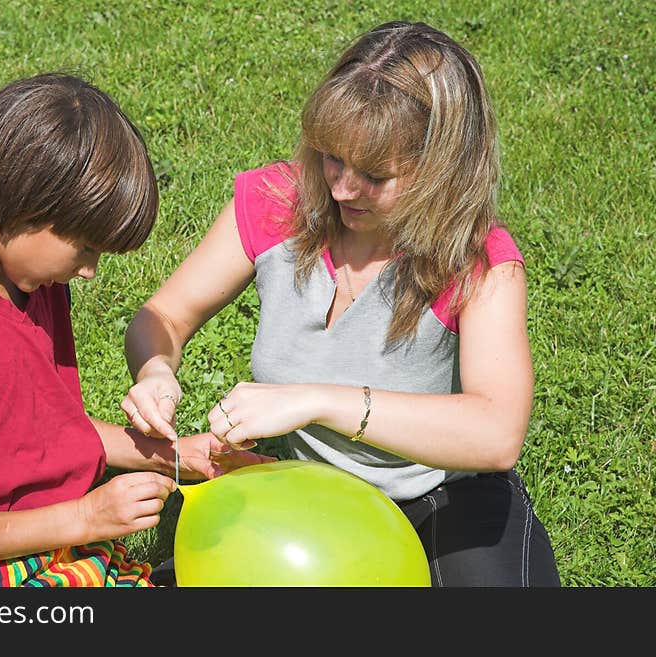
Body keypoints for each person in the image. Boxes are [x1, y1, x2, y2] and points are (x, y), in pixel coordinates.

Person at [123, 22, 562, 586]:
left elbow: (497, 434)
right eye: (332, 158)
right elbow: (163, 316)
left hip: (444, 498)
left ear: (442, 171)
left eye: (375, 176)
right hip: (308, 486)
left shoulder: (477, 259)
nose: (341, 190)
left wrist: (318, 401)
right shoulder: (273, 203)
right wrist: (157, 369)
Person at [0, 73, 271, 587]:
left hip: (60, 554)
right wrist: (86, 517)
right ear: (27, 205)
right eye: (85, 247)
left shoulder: (33, 281)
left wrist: (176, 454)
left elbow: (35, 431)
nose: (90, 270)